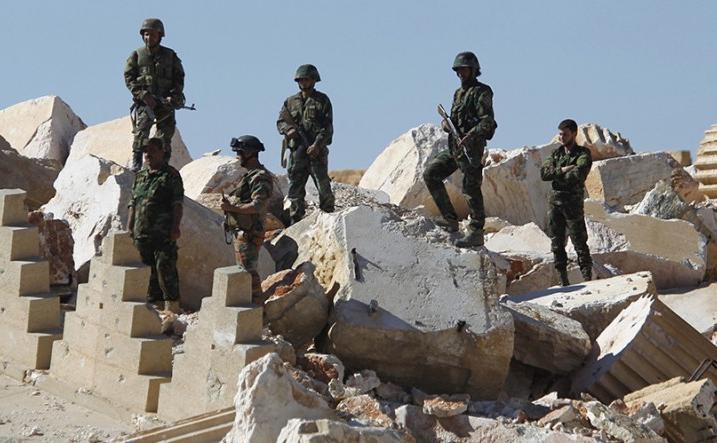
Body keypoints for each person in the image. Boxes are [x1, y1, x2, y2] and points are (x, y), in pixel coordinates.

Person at [423, 51, 497, 247]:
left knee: (471, 188)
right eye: (458, 70)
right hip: (455, 147)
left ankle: (476, 231)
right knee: (431, 173)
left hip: (471, 148)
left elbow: (487, 122)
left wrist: (470, 135)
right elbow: (453, 120)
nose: (460, 74)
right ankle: (449, 219)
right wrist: (446, 124)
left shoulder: (482, 92)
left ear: (473, 70)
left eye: (464, 70)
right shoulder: (458, 94)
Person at [128, 137, 184, 313]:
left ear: (162, 152)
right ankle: (154, 307)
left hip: (163, 233)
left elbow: (177, 204)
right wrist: (130, 227)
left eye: (152, 150)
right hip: (142, 233)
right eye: (145, 151)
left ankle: (172, 307)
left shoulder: (170, 175)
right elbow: (133, 203)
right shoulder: (140, 177)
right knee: (147, 270)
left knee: (165, 268)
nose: (147, 154)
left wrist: (175, 227)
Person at [124, 18, 185, 171]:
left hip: (165, 102)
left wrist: (173, 96)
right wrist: (143, 95)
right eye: (146, 34)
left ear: (160, 35)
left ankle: (163, 164)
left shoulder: (170, 55)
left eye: (152, 34)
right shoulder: (137, 55)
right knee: (141, 131)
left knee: (165, 134)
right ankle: (137, 163)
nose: (149, 38)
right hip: (146, 103)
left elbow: (179, 78)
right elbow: (129, 78)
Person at [276, 64, 334, 224]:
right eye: (301, 80)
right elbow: (281, 121)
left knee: (323, 187)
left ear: (314, 80)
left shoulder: (322, 100)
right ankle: (295, 221)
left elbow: (327, 127)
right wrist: (288, 130)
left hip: (316, 152)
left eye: (306, 79)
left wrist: (317, 145)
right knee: (295, 189)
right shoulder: (290, 102)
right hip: (297, 152)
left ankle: (328, 219)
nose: (303, 82)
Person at [540, 119, 593, 286]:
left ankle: (587, 278)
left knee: (579, 241)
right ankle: (563, 281)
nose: (562, 137)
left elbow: (579, 174)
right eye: (560, 134)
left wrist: (557, 175)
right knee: (557, 242)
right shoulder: (556, 154)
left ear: (574, 134)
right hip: (555, 204)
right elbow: (544, 174)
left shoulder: (582, 153)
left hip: (573, 203)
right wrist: (563, 169)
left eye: (565, 134)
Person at [221, 135, 274, 300]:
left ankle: (257, 308)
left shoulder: (260, 177)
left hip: (250, 233)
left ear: (250, 153)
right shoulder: (250, 175)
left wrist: (232, 208)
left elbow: (258, 205)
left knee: (248, 274)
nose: (237, 157)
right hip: (243, 232)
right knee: (244, 272)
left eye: (239, 152)